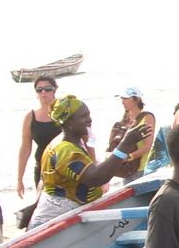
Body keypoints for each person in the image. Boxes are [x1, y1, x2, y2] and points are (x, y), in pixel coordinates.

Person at [29, 96, 150, 229]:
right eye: (83, 117)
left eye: (88, 115)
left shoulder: (72, 143)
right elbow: (95, 178)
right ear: (69, 122)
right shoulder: (65, 149)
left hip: (65, 218)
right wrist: (124, 145)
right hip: (53, 223)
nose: (89, 119)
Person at [17, 76, 61, 199]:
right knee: (43, 202)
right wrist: (19, 179)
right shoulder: (30, 117)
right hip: (42, 168)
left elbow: (83, 138)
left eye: (47, 89)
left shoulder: (64, 112)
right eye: (39, 90)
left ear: (54, 90)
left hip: (66, 165)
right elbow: (25, 149)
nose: (43, 92)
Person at [107, 87, 157, 183]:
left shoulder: (147, 117)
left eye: (125, 98)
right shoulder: (125, 119)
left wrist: (128, 157)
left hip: (142, 170)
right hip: (127, 170)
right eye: (121, 98)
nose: (122, 102)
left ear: (136, 100)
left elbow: (147, 146)